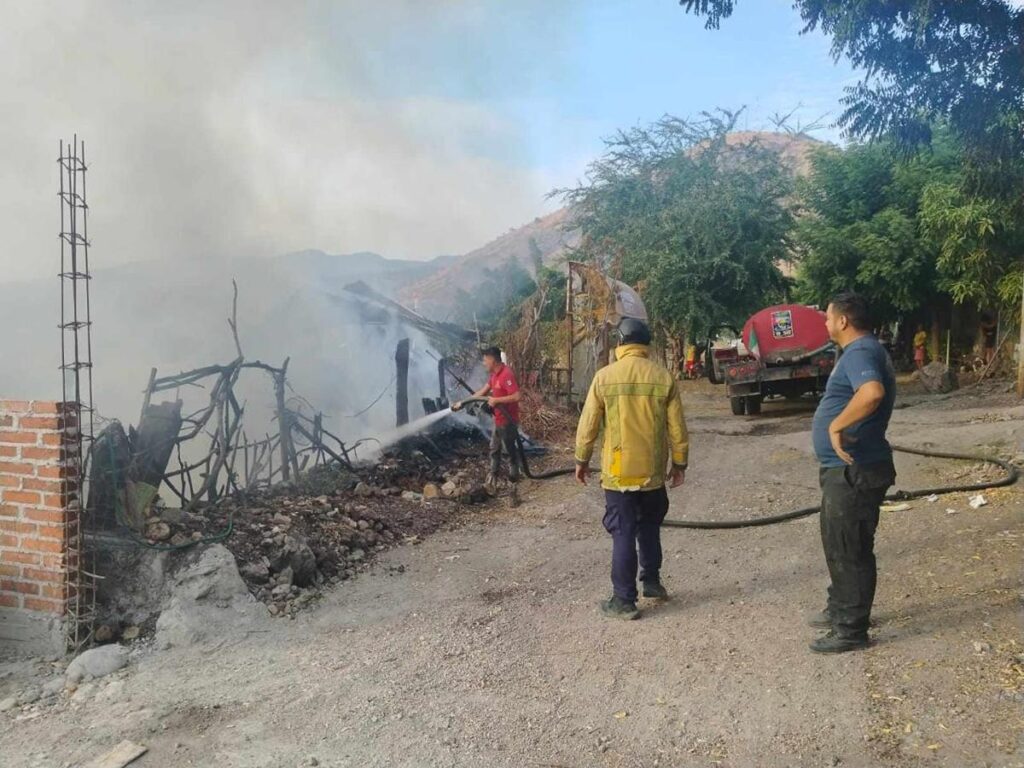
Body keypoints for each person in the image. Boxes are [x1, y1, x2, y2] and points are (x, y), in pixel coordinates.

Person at [574, 318, 690, 620]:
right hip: (652, 473)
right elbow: (677, 428)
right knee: (649, 526)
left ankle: (624, 600)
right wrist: (679, 463)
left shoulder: (604, 377)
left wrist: (581, 460)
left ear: (620, 344)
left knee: (623, 532)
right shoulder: (663, 377)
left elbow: (588, 426)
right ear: (646, 345)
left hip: (618, 474)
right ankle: (651, 582)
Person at [809, 292, 896, 654]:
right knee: (839, 541)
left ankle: (851, 629)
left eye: (829, 318)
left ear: (843, 321)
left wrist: (836, 426)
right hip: (847, 468)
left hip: (855, 470)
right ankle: (840, 607)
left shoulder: (860, 352)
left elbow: (871, 393)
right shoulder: (863, 350)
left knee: (850, 548)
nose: (826, 324)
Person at [455, 347, 522, 488]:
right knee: (494, 449)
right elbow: (482, 392)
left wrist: (497, 401)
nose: (484, 363)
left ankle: (513, 486)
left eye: (485, 360)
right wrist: (463, 403)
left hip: (508, 422)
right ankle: (493, 479)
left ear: (492, 359)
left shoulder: (506, 374)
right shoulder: (494, 376)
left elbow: (516, 396)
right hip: (498, 421)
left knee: (510, 453)